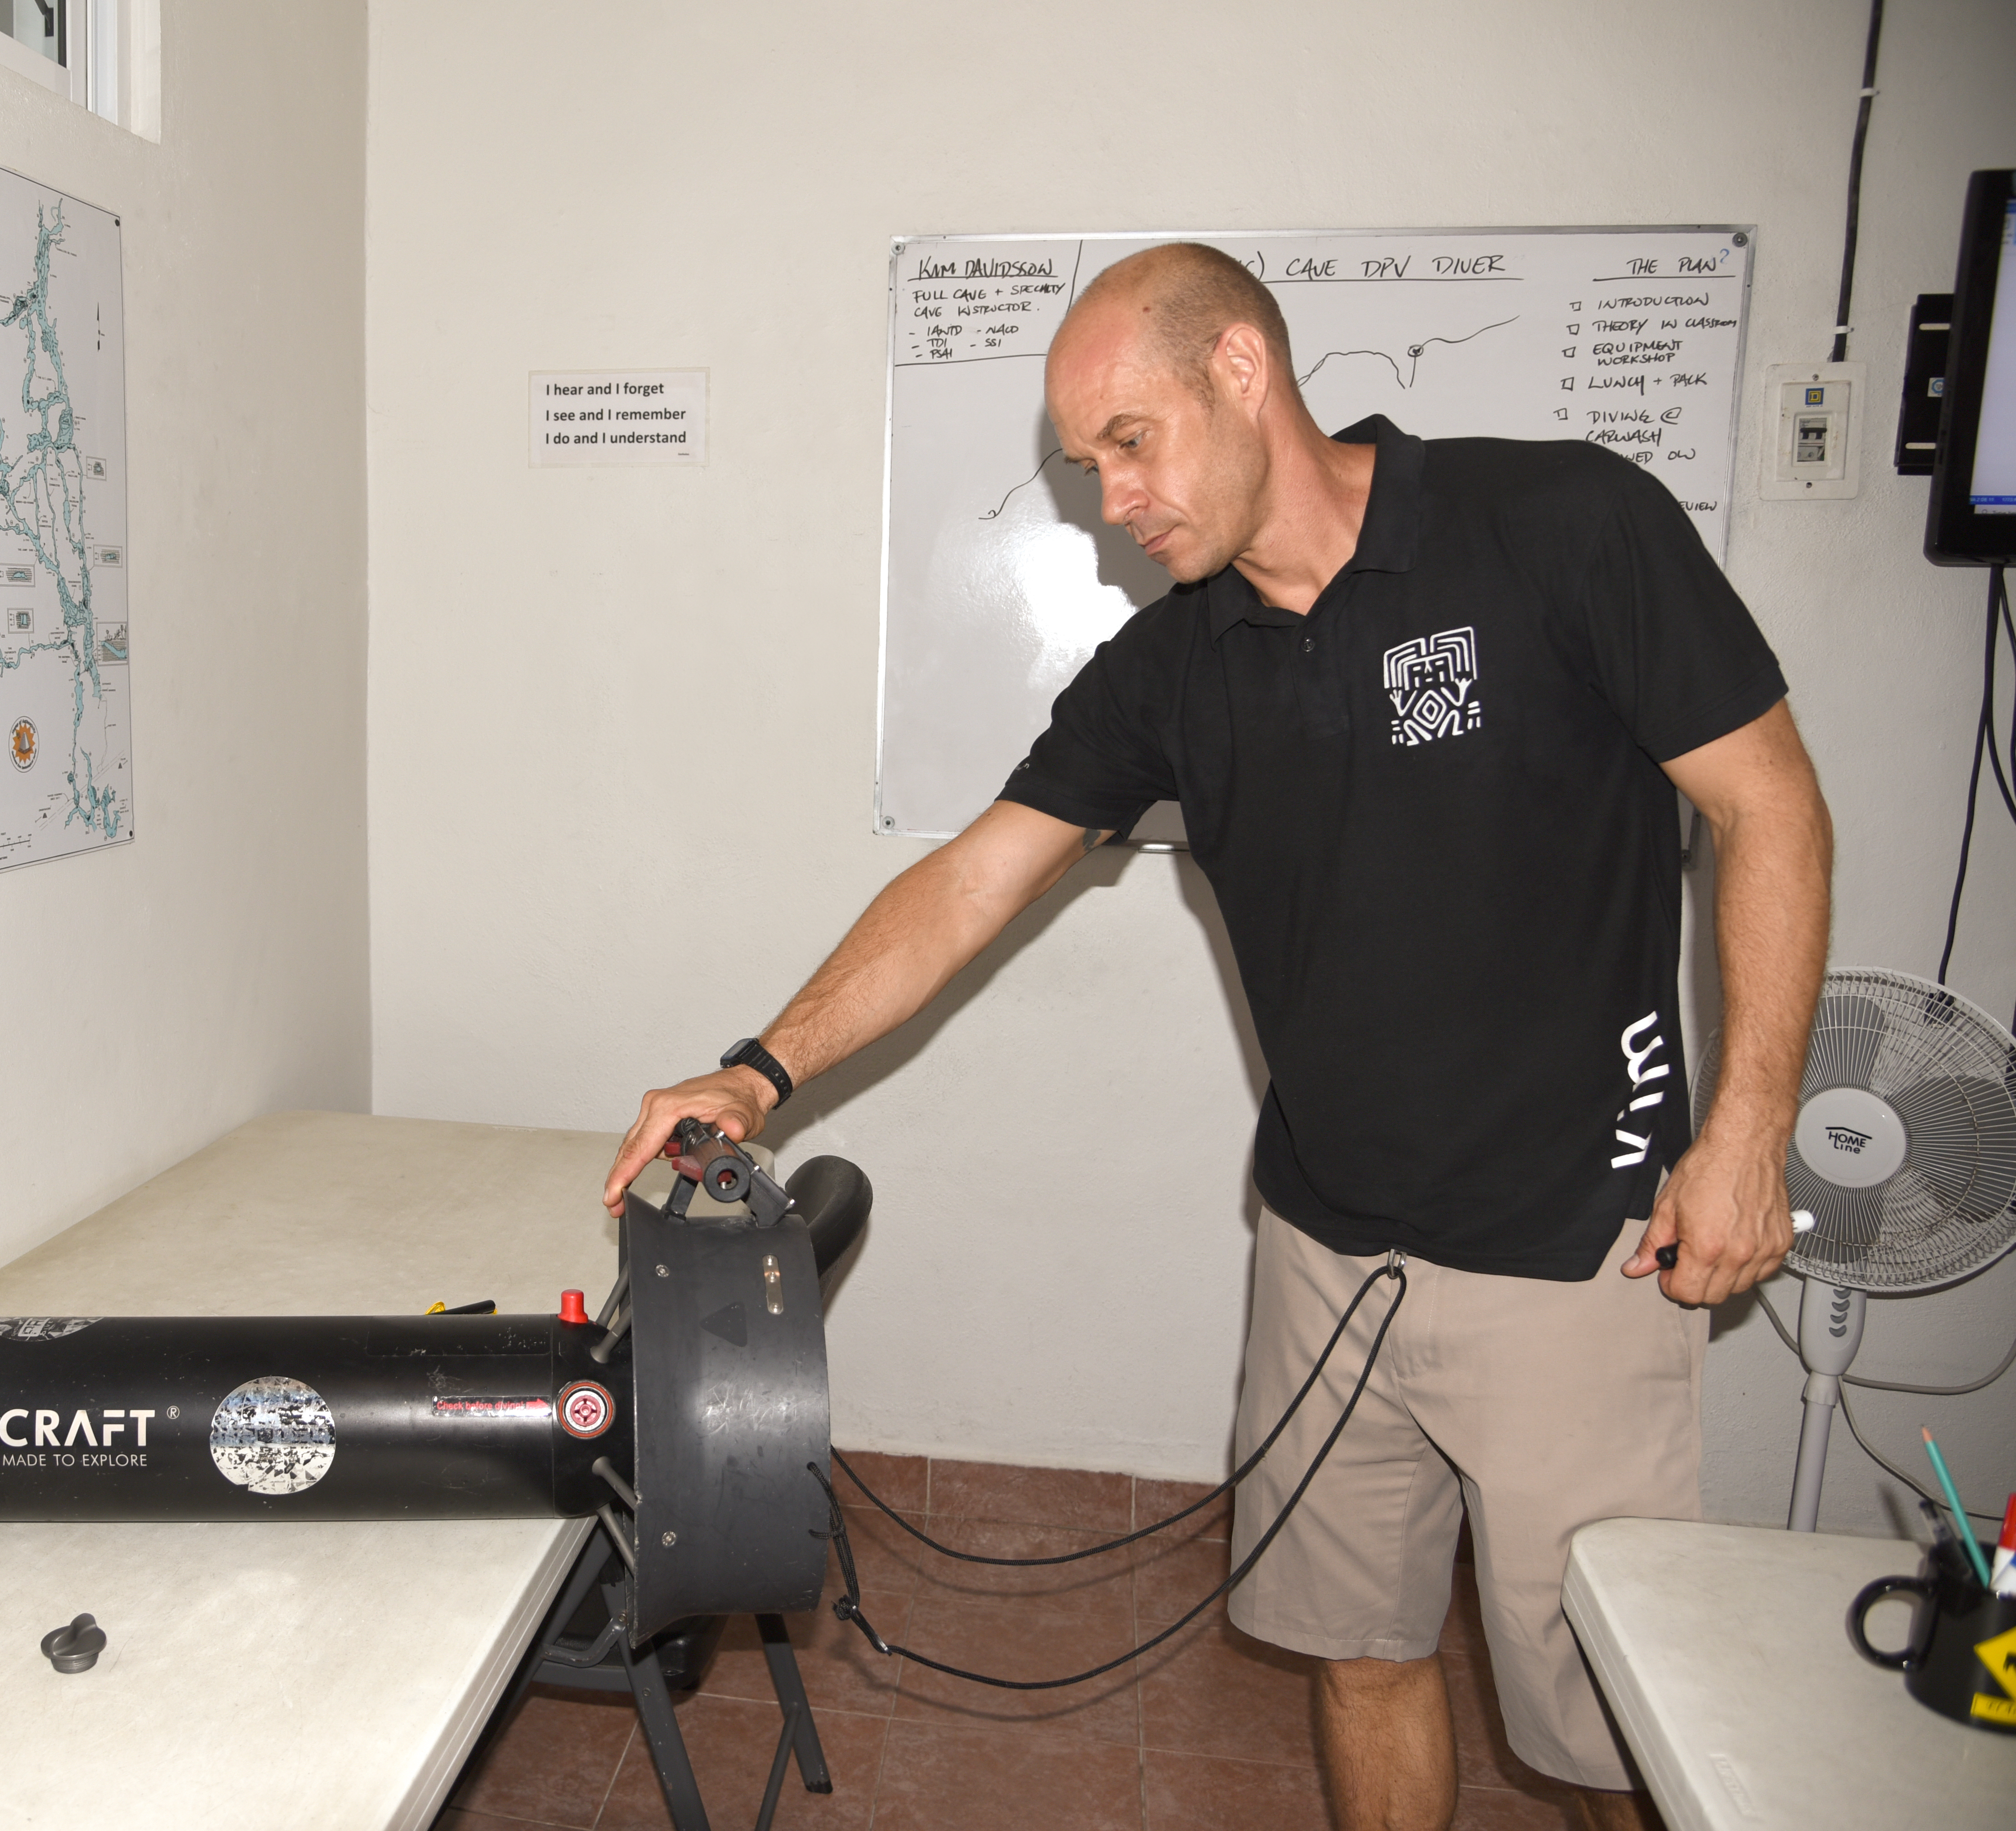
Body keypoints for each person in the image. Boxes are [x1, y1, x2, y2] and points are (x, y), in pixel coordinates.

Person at [604, 242, 1831, 1831]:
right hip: (1325, 1251)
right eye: (1086, 465)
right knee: (1360, 1652)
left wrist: (1745, 1138)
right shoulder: (1178, 664)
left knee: (1607, 1725)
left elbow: (1771, 807)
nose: (1114, 501)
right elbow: (977, 877)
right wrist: (758, 1067)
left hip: (1583, 1254)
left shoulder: (1564, 527)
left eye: (1132, 442)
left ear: (1243, 370)